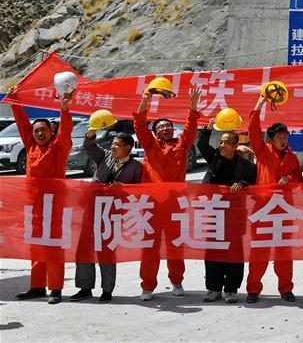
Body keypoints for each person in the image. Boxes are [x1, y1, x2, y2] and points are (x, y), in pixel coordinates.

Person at [134, 85, 200, 301]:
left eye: (168, 126)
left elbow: (190, 129)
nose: (165, 129)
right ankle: (147, 286)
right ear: (155, 132)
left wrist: (192, 106)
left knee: (175, 245)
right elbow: (140, 125)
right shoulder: (150, 146)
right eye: (161, 127)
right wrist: (145, 99)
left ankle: (177, 281)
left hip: (174, 205)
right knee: (150, 247)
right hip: (151, 205)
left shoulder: (181, 146)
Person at [12, 91, 74, 305]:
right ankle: (37, 286)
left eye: (43, 130)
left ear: (50, 132)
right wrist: (15, 102)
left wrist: (64, 108)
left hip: (55, 206)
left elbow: (66, 131)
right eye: (36, 130)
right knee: (36, 245)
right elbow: (21, 123)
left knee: (54, 246)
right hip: (34, 206)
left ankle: (55, 288)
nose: (39, 133)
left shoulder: (59, 148)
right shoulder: (30, 146)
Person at [70, 130, 143, 303]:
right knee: (84, 248)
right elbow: (89, 147)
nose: (113, 146)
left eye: (117, 144)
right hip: (92, 208)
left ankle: (107, 289)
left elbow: (139, 192)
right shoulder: (105, 156)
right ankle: (85, 287)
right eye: (113, 143)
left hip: (112, 213)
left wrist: (123, 188)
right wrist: (90, 134)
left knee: (107, 251)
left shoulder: (136, 167)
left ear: (128, 147)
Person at [246, 95, 303, 303]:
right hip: (262, 210)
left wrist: (290, 178)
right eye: (280, 136)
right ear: (270, 139)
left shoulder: (292, 158)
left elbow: (300, 179)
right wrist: (259, 104)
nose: (284, 139)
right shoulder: (262, 152)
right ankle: (253, 289)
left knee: (283, 253)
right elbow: (253, 130)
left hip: (284, 210)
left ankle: (286, 289)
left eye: (285, 135)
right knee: (259, 251)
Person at [198, 122, 257, 304]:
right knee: (213, 251)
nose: (222, 146)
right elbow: (201, 145)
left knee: (234, 252)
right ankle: (213, 288)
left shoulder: (247, 166)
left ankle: (231, 289)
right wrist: (208, 128)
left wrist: (243, 184)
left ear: (235, 145)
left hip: (235, 215)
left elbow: (254, 186)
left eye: (227, 143)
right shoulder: (214, 158)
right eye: (221, 142)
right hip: (214, 213)